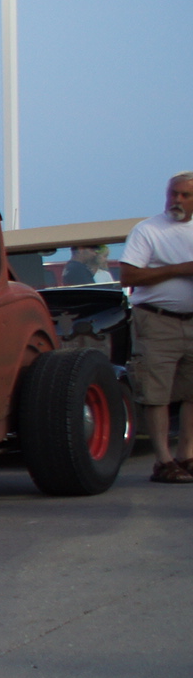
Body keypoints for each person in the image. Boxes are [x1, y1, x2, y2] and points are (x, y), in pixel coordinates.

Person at [116, 171, 193, 482]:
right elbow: (129, 276)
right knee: (157, 394)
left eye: (185, 195)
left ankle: (187, 455)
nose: (177, 200)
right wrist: (180, 270)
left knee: (191, 393)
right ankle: (163, 460)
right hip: (157, 320)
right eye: (173, 193)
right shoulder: (147, 231)